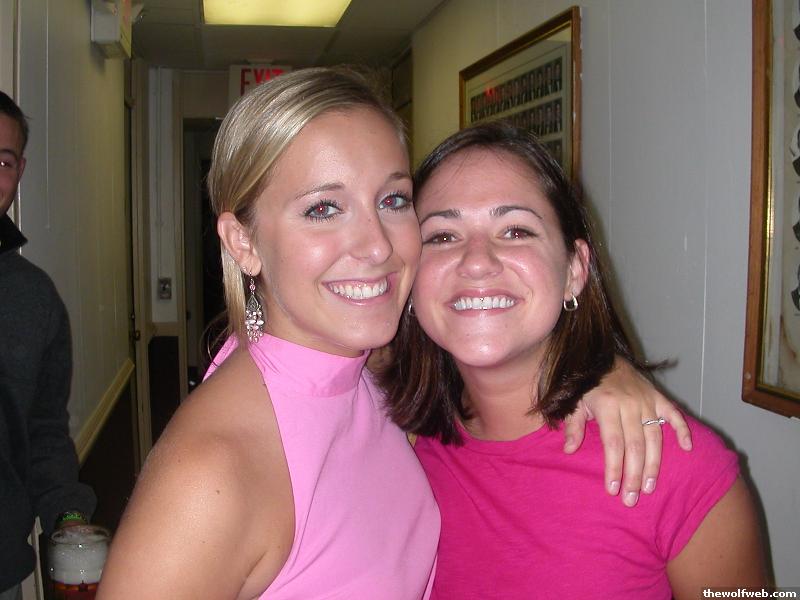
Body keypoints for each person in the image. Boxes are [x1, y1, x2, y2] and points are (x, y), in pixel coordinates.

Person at [97, 69, 688, 600]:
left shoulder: (369, 367)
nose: (377, 246)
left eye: (392, 200)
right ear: (243, 242)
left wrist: (603, 370)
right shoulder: (212, 472)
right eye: (323, 209)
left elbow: (495, 343)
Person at [382, 121, 766, 599]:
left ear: (575, 269)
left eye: (515, 230)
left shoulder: (672, 465)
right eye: (442, 236)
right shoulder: (392, 444)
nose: (476, 261)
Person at [0, 92, 96, 599]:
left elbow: (43, 431)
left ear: (20, 172)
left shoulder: (35, 298)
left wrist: (69, 514)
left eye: (3, 161)